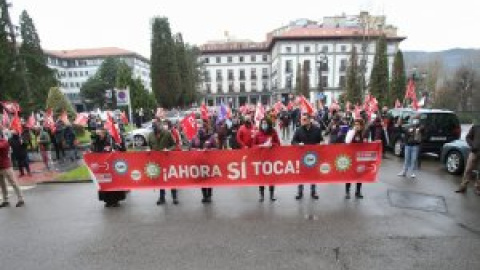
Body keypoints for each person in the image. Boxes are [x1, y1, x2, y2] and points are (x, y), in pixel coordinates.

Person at [91, 128, 127, 207]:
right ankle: (107, 201)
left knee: (113, 182)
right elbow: (93, 151)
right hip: (101, 165)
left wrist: (114, 150)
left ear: (104, 132)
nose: (98, 134)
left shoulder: (110, 140)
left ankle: (116, 200)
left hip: (111, 164)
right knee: (104, 183)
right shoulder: (95, 141)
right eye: (97, 133)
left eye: (99, 133)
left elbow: (118, 149)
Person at [291, 113, 323, 200]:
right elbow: (293, 142)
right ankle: (300, 192)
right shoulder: (298, 130)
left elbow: (321, 140)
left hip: (313, 156)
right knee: (301, 174)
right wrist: (298, 144)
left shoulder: (317, 130)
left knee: (313, 174)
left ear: (309, 120)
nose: (302, 121)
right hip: (302, 156)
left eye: (304, 119)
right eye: (301, 119)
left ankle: (313, 192)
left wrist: (320, 144)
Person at [147, 121, 178, 205]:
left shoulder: (167, 133)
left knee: (171, 178)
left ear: (160, 127)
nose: (157, 132)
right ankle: (162, 197)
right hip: (157, 162)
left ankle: (174, 197)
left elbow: (174, 145)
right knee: (160, 180)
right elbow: (149, 146)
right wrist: (149, 150)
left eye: (158, 130)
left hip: (168, 160)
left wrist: (168, 149)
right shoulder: (150, 135)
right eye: (155, 130)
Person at [253, 118, 280, 202]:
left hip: (271, 158)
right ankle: (261, 195)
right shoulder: (258, 134)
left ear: (268, 124)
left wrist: (272, 144)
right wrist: (261, 146)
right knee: (261, 178)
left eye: (265, 123)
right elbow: (253, 146)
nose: (263, 125)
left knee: (271, 178)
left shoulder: (273, 132)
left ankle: (271, 195)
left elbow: (278, 144)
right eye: (262, 123)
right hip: (261, 159)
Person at [191, 121, 218, 203]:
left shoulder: (211, 137)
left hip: (208, 161)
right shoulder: (195, 137)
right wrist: (196, 150)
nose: (200, 129)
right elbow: (191, 148)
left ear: (205, 128)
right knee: (202, 179)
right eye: (198, 128)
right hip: (199, 161)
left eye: (201, 127)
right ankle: (204, 196)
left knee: (209, 179)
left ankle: (209, 195)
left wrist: (208, 150)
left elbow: (216, 148)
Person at [0, 125, 25, 207]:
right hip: (1, 167)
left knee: (13, 183)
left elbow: (1, 147)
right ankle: (6, 200)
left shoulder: (4, 142)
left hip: (6, 166)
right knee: (2, 185)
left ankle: (21, 199)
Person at [344, 119, 367, 199]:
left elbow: (368, 144)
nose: (357, 125)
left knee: (359, 174)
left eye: (358, 124)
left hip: (360, 157)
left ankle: (358, 191)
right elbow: (347, 141)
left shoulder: (364, 133)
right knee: (349, 175)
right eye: (355, 124)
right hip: (351, 156)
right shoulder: (351, 132)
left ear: (362, 125)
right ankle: (347, 192)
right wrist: (354, 131)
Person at [456, 124, 480, 194]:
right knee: (468, 169)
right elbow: (468, 137)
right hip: (474, 152)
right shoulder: (476, 127)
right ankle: (463, 187)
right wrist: (472, 145)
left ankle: (478, 189)